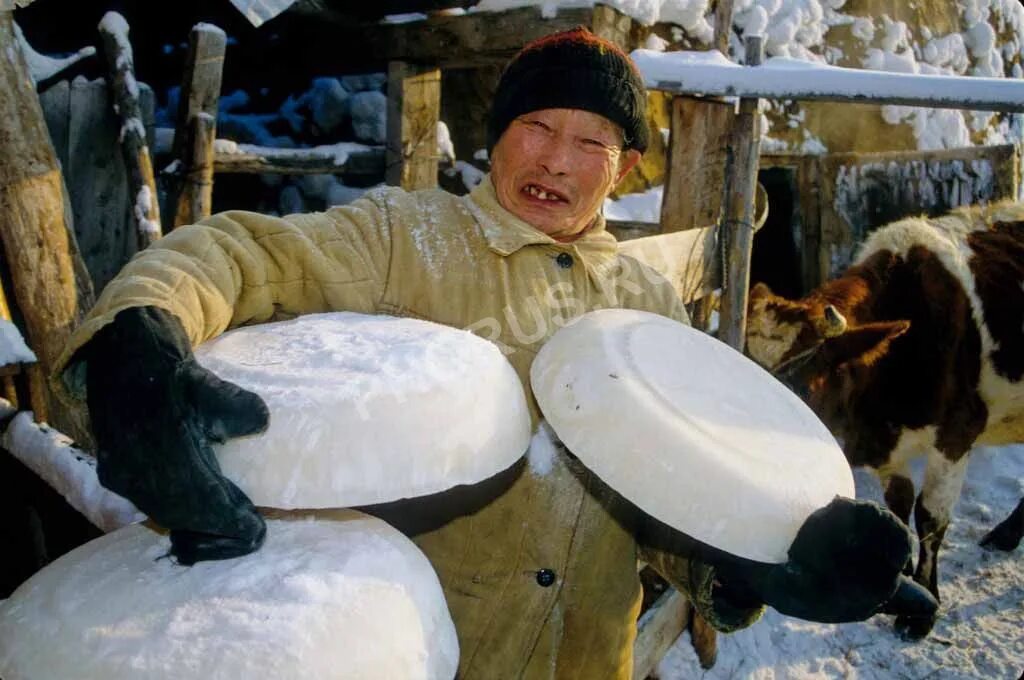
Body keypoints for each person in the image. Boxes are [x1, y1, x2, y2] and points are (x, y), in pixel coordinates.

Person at [53, 27, 934, 679]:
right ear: (497, 134)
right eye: (537, 127)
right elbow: (239, 253)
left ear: (623, 169)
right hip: (433, 653)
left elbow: (670, 492)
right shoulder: (407, 238)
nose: (557, 160)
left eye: (591, 142)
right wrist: (142, 331)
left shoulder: (646, 305)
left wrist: (748, 558)